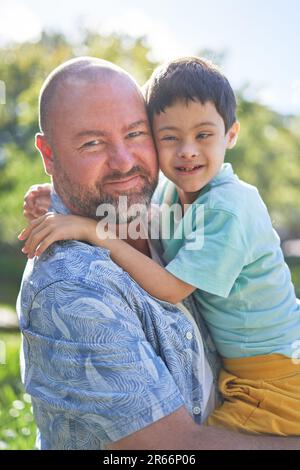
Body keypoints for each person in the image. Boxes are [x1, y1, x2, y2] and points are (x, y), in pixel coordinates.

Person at [17, 56, 300, 450]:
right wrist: (70, 203)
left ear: (230, 134)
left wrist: (83, 213)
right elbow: (174, 451)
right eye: (92, 143)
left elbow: (143, 222)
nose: (124, 161)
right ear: (49, 155)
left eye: (135, 134)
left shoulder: (195, 206)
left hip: (275, 377)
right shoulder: (70, 287)